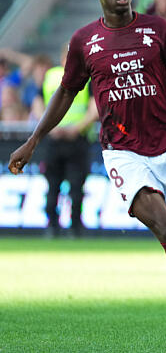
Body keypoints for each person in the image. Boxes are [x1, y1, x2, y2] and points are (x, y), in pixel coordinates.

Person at [7, 0, 166, 335]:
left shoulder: (158, 30)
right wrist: (33, 141)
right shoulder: (84, 41)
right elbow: (65, 93)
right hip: (123, 151)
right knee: (164, 227)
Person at [41, 57, 98, 238]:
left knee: (74, 187)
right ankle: (57, 226)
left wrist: (73, 129)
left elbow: (93, 109)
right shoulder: (52, 76)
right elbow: (38, 103)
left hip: (75, 139)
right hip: (59, 139)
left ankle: (72, 227)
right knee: (55, 186)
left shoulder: (85, 78)